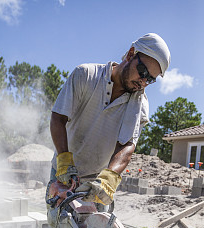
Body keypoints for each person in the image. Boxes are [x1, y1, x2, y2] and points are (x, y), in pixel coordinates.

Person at [47, 33, 170, 207]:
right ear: (131, 54)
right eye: (143, 72)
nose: (142, 82)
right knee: (59, 227)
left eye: (150, 79)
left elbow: (127, 145)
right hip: (63, 170)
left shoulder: (139, 105)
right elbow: (58, 118)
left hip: (96, 184)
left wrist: (109, 179)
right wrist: (64, 161)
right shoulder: (86, 75)